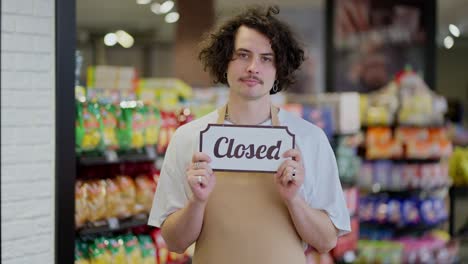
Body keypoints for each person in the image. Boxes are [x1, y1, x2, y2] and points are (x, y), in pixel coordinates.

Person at [148, 6, 351, 264]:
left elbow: (326, 241)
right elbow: (175, 243)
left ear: (280, 67)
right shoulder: (188, 138)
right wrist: (197, 202)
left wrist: (294, 200)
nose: (253, 67)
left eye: (267, 58)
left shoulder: (310, 139)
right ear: (224, 60)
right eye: (243, 55)